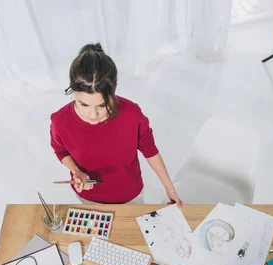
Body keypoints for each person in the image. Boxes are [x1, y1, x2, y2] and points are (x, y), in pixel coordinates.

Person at [50, 43, 182, 207]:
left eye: (102, 105)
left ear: (114, 90)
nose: (93, 115)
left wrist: (169, 188)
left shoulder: (132, 115)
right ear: (72, 91)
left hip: (130, 196)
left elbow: (150, 151)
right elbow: (60, 150)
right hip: (88, 196)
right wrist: (76, 171)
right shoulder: (60, 122)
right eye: (84, 105)